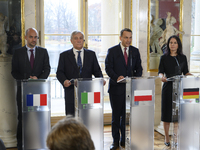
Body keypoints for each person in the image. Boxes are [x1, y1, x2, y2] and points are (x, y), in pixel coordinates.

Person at [11, 27, 51, 150]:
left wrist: (37, 79)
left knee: (38, 117)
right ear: (25, 37)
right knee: (23, 118)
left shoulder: (43, 52)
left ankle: (39, 143)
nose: (34, 40)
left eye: (36, 37)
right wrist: (27, 79)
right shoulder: (18, 52)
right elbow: (14, 72)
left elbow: (47, 69)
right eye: (31, 37)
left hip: (39, 92)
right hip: (24, 91)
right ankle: (21, 145)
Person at [105, 28, 143, 150]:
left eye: (130, 37)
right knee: (116, 116)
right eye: (126, 37)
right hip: (116, 88)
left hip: (130, 89)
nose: (128, 40)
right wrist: (117, 77)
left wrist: (136, 77)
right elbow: (108, 68)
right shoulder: (112, 51)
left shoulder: (135, 51)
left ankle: (123, 140)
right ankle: (115, 141)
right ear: (120, 38)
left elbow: (139, 68)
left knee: (125, 116)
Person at [56, 30, 104, 116]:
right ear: (71, 41)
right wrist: (64, 81)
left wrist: (101, 79)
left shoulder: (91, 54)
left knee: (86, 115)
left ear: (83, 40)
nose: (79, 40)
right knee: (71, 116)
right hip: (71, 91)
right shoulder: (64, 55)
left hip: (86, 91)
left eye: (81, 38)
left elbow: (97, 71)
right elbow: (59, 72)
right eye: (76, 38)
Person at [158, 35, 192, 147]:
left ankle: (176, 137)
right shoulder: (164, 58)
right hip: (168, 87)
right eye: (171, 42)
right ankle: (167, 137)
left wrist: (193, 76)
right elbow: (160, 72)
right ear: (168, 44)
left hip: (179, 88)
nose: (173, 44)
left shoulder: (183, 57)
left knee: (177, 115)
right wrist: (161, 77)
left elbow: (186, 72)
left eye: (175, 42)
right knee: (167, 114)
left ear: (178, 45)